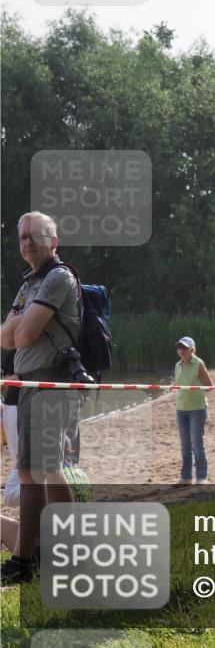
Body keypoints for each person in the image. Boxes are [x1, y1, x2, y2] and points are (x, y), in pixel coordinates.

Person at [0, 211, 83, 585]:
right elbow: (6, 338)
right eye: (22, 237)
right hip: (32, 383)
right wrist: (18, 326)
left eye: (35, 235)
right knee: (46, 469)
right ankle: (67, 551)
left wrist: (19, 325)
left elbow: (24, 335)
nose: (27, 242)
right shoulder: (28, 285)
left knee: (33, 470)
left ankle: (23, 561)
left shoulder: (58, 277)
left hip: (49, 381)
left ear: (54, 241)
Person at [172, 336, 213, 485]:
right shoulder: (177, 365)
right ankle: (186, 477)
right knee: (185, 446)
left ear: (192, 350)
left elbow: (209, 386)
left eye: (184, 348)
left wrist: (195, 390)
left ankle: (201, 476)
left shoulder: (198, 363)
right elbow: (177, 385)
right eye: (179, 348)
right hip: (181, 409)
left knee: (197, 444)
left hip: (197, 409)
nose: (181, 350)